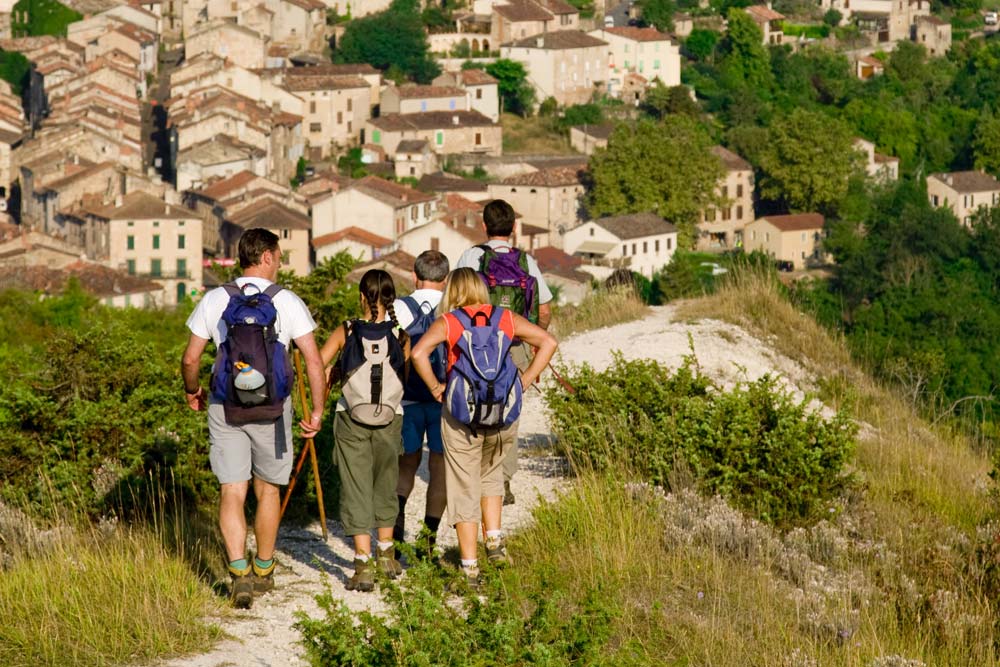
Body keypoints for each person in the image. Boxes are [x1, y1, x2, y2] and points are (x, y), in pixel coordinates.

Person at [181, 228, 326, 609]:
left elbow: (190, 359)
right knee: (268, 490)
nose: (279, 263)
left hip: (225, 405)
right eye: (277, 256)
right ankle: (264, 568)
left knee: (232, 489)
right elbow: (313, 360)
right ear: (264, 256)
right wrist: (317, 410)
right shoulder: (288, 301)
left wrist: (192, 390)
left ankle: (238, 572)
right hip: (273, 409)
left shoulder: (215, 299)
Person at [410, 268, 557, 588]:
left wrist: (436, 387)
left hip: (462, 415)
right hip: (503, 411)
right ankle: (494, 544)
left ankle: (469, 568)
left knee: (464, 485)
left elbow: (418, 353)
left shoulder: (450, 321)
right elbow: (548, 342)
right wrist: (526, 380)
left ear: (453, 291)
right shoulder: (504, 317)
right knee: (492, 474)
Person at [456, 199, 554, 506]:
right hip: (514, 346)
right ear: (513, 228)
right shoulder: (526, 261)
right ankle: (503, 480)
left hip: (475, 346)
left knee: (471, 404)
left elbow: (455, 302)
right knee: (509, 411)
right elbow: (544, 309)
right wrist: (533, 338)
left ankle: (473, 473)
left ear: (484, 226)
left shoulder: (470, 257)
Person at [320, 269, 409, 592]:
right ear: (391, 298)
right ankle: (386, 556)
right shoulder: (402, 333)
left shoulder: (347, 330)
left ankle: (362, 564)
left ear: (361, 296)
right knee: (386, 482)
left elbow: (318, 362)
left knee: (356, 486)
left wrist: (331, 378)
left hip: (351, 418)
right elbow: (402, 373)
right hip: (391, 417)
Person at [391, 250, 450, 552]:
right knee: (439, 468)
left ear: (414, 276)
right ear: (446, 279)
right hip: (444, 400)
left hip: (407, 399)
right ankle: (428, 537)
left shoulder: (398, 308)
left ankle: (397, 520)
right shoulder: (453, 307)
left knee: (406, 464)